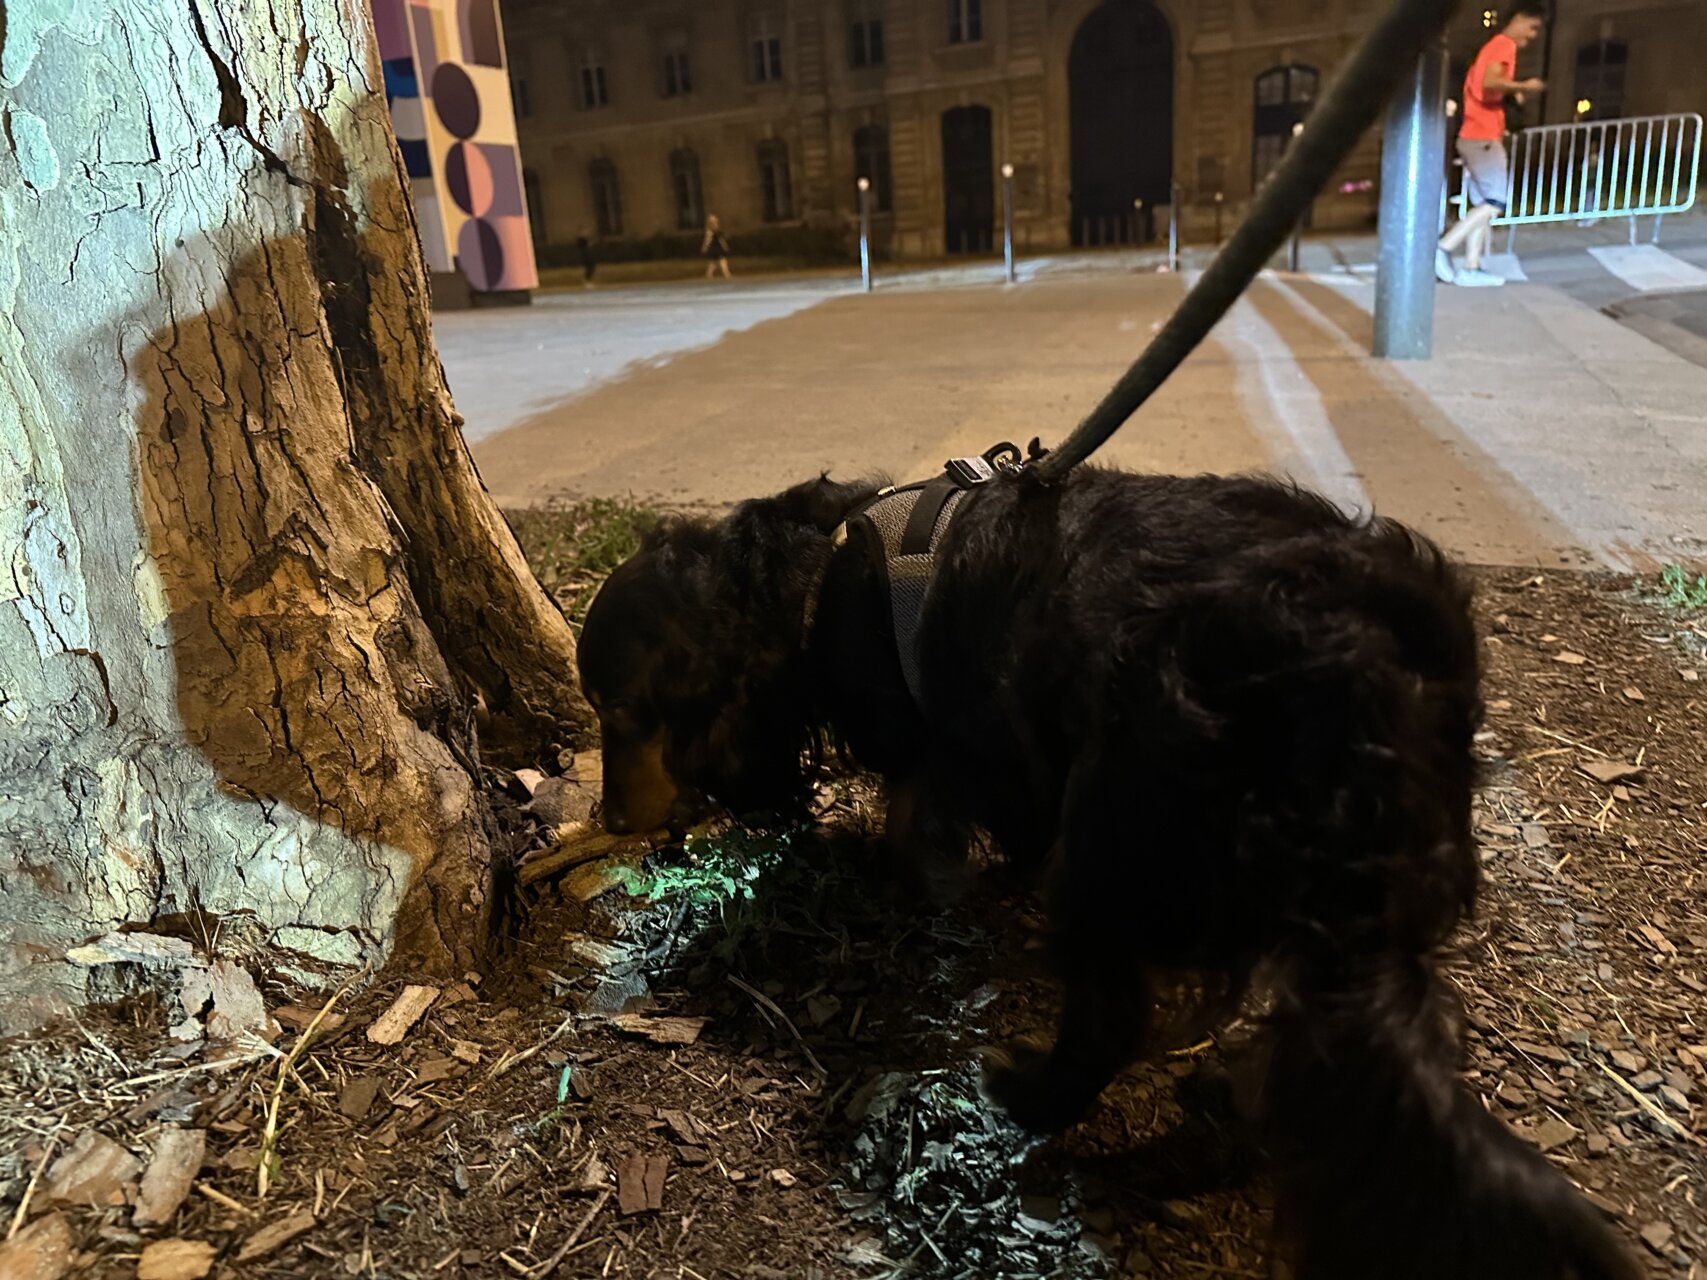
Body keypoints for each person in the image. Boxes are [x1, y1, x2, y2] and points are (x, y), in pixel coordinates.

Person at [1437, 3, 1547, 287]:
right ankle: (1444, 248)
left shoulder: (1490, 48)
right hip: (1483, 138)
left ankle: (1471, 267)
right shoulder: (1503, 46)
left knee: (1483, 204)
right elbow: (1490, 82)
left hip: (1473, 136)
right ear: (1520, 19)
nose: (1533, 35)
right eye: (1533, 27)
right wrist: (1525, 87)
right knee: (1496, 202)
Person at [701, 214, 731, 280]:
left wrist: (705, 247)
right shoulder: (712, 232)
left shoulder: (713, 231)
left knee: (713, 263)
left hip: (715, 249)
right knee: (721, 262)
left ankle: (709, 275)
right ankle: (726, 275)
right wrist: (705, 247)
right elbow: (709, 240)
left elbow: (720, 240)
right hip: (716, 249)